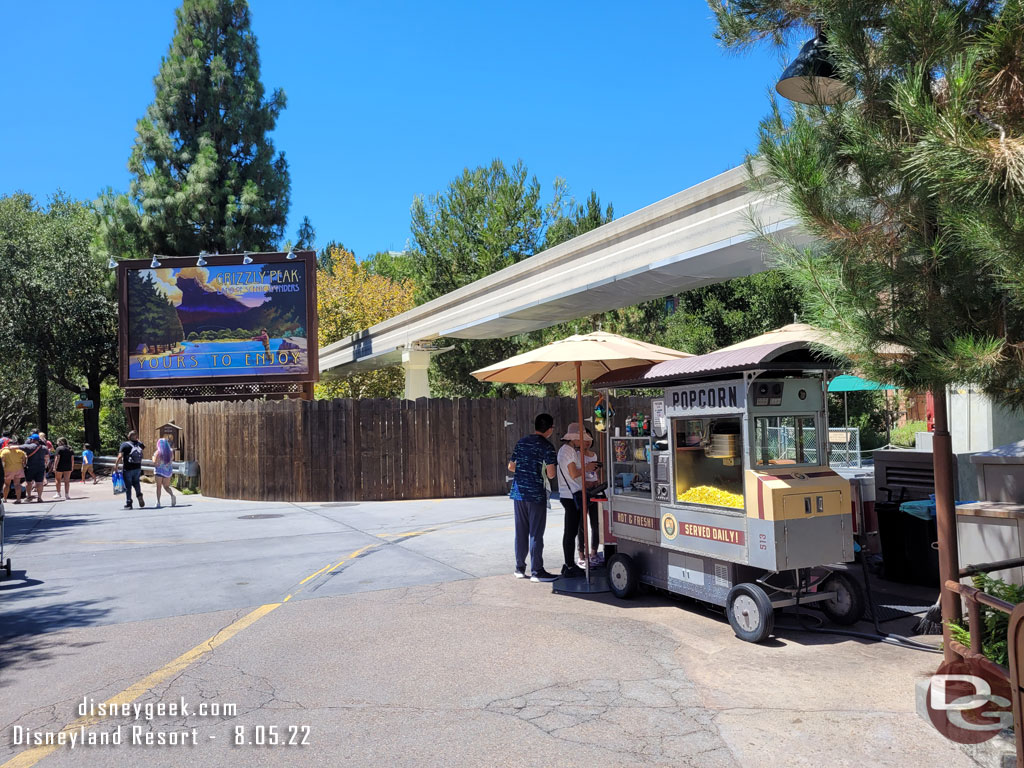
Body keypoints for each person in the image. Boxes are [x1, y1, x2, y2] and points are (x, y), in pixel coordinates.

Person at [508, 413, 558, 583]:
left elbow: (511, 466)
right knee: (536, 533)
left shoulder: (521, 442)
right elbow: (551, 474)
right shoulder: (547, 447)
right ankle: (537, 571)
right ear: (550, 429)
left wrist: (524, 471)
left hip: (518, 493)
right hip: (536, 494)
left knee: (520, 532)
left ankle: (519, 568)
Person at [556, 426, 589, 578]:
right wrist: (587, 468)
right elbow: (574, 473)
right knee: (570, 532)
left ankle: (569, 564)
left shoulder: (566, 450)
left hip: (568, 494)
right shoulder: (568, 451)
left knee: (570, 531)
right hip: (571, 495)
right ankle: (569, 565)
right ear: (575, 438)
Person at [113, 430, 146, 509]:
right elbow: (143, 447)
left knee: (128, 486)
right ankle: (139, 495)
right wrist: (137, 440)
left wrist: (116, 466)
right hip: (137, 467)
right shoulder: (139, 444)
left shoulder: (124, 445)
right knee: (136, 482)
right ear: (136, 437)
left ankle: (129, 503)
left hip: (128, 468)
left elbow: (120, 456)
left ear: (128, 436)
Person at [21, 434, 48, 503]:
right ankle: (39, 497)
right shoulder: (44, 447)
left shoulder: (29, 447)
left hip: (30, 467)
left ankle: (29, 496)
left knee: (28, 482)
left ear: (32, 440)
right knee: (39, 482)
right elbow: (47, 458)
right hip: (41, 467)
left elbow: (18, 447)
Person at [152, 438, 176, 508]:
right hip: (167, 471)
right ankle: (172, 495)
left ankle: (158, 502)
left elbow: (154, 462)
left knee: (159, 487)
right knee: (166, 486)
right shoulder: (171, 451)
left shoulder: (158, 452)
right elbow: (172, 459)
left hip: (159, 471)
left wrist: (153, 457)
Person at [1, 437, 26, 504]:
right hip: (19, 469)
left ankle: (5, 498)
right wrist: (23, 465)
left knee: (6, 484)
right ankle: (18, 499)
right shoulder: (20, 451)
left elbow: (2, 459)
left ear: (8, 444)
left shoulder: (4, 451)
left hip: (8, 469)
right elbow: (24, 459)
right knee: (17, 484)